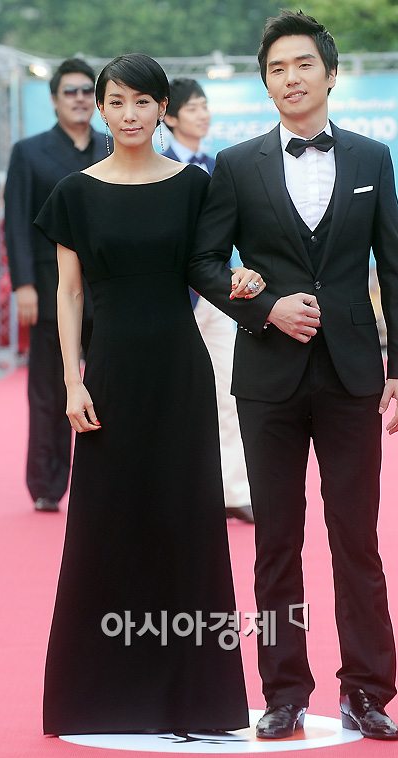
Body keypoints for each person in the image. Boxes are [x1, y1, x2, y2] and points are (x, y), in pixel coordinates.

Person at [188, 9, 398, 742]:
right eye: (276, 69)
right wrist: (264, 309)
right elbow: (203, 263)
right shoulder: (236, 165)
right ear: (266, 84)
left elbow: (396, 266)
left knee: (357, 541)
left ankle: (367, 691)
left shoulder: (371, 159)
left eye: (302, 65)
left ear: (330, 73)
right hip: (268, 380)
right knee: (276, 542)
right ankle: (284, 691)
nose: (290, 78)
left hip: (354, 377)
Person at [34, 53, 263, 735]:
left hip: (179, 372)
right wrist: (72, 378)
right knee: (105, 526)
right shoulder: (74, 193)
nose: (129, 114)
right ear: (101, 108)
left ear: (162, 108)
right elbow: (68, 294)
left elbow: (213, 268)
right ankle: (97, 696)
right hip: (108, 375)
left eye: (142, 102)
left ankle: (195, 696)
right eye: (117, 101)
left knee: (186, 523)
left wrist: (247, 284)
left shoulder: (194, 186)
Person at [4, 58, 106, 513]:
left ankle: (105, 479)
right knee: (49, 391)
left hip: (106, 289)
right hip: (48, 289)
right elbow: (16, 222)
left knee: (106, 387)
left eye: (87, 91)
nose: (80, 98)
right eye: (70, 91)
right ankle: (46, 483)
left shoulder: (110, 146)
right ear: (54, 99)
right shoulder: (29, 152)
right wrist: (23, 284)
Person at [163, 78, 253, 523]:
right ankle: (168, 492)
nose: (203, 115)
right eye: (193, 107)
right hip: (168, 299)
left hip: (217, 297)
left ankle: (234, 491)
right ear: (170, 116)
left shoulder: (219, 165)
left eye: (205, 106)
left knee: (230, 391)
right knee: (168, 396)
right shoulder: (156, 166)